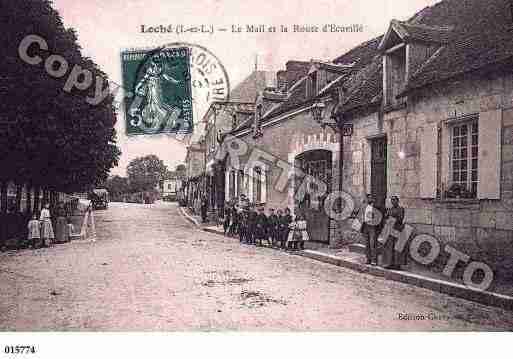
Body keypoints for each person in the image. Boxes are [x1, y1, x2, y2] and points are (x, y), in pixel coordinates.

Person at [382, 196, 406, 270]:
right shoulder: (390, 209)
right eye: (392, 200)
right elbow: (386, 217)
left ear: (397, 201)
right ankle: (390, 263)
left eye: (394, 200)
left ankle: (397, 265)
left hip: (398, 230)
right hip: (390, 230)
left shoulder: (400, 209)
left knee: (397, 248)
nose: (393, 202)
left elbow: (400, 218)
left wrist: (391, 218)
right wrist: (387, 217)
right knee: (390, 247)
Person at [360, 194, 380, 265]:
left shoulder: (376, 207)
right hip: (366, 226)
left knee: (373, 243)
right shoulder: (364, 207)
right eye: (368, 198)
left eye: (370, 198)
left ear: (373, 199)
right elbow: (362, 216)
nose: (368, 199)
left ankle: (374, 260)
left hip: (373, 226)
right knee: (367, 243)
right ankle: (368, 259)